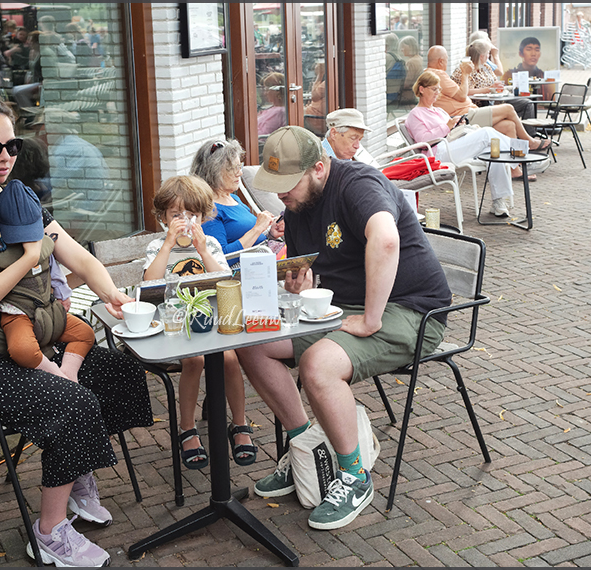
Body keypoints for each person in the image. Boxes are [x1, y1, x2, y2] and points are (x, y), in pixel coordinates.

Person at [0, 92, 153, 566]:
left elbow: (79, 257)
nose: (6, 157)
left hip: (26, 341)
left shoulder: (16, 201)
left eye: (13, 146)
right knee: (73, 400)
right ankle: (49, 534)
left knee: (118, 372)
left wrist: (112, 296)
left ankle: (77, 471)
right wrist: (27, 258)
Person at [236, 125, 452, 530]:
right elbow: (310, 272)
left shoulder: (358, 184)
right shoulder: (298, 208)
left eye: (288, 184)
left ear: (319, 168)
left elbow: (386, 240)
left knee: (318, 364)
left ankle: (355, 476)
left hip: (409, 309)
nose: (281, 195)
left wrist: (371, 319)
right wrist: (299, 284)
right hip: (342, 308)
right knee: (254, 343)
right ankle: (308, 449)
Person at [142, 175, 257, 470]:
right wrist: (168, 243)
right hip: (176, 323)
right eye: (176, 215)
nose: (184, 221)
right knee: (194, 361)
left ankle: (240, 424)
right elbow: (149, 282)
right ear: (163, 217)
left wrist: (204, 250)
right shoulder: (158, 247)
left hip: (209, 319)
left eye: (191, 214)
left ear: (203, 216)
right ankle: (187, 428)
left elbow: (224, 280)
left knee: (229, 359)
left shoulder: (211, 243)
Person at [0, 180, 95, 384]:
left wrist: (63, 295)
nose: (25, 239)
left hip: (48, 308)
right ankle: (54, 373)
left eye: (30, 231)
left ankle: (69, 373)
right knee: (21, 350)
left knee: (85, 333)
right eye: (18, 233)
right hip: (16, 312)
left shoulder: (43, 242)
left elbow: (54, 271)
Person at [406, 70, 522, 217]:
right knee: (487, 133)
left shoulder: (439, 111)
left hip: (452, 145)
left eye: (438, 89)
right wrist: (447, 126)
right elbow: (423, 141)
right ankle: (520, 156)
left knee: (494, 150)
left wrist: (458, 125)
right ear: (421, 89)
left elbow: (450, 130)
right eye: (434, 89)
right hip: (437, 153)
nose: (437, 93)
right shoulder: (415, 114)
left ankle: (499, 202)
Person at [424, 46, 551, 154]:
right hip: (463, 118)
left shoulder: (433, 75)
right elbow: (462, 95)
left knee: (509, 125)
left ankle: (514, 167)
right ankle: (530, 142)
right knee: (508, 108)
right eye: (446, 60)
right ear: (441, 61)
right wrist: (465, 74)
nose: (447, 64)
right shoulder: (438, 75)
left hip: (468, 114)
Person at [193, 138, 285, 256]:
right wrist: (257, 228)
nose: (240, 173)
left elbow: (249, 239)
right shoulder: (209, 210)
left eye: (239, 166)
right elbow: (221, 257)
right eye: (233, 168)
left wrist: (270, 233)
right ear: (214, 172)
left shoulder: (233, 198)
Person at [398, 35, 423, 105]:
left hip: (409, 95)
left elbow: (407, 83)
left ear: (410, 47)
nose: (401, 50)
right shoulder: (421, 59)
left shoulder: (411, 62)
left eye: (403, 47)